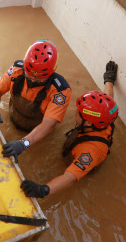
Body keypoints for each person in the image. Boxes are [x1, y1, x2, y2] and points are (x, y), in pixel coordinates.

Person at [19, 61, 119, 198]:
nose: (75, 112)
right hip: (82, 139)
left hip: (83, 162)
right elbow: (108, 98)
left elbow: (69, 177)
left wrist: (44, 189)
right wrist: (109, 80)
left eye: (79, 112)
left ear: (88, 122)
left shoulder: (90, 152)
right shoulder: (105, 118)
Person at [0, 40, 72, 160]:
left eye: (40, 80)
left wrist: (23, 143)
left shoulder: (60, 91)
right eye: (29, 76)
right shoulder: (17, 69)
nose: (33, 81)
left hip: (36, 132)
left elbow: (48, 125)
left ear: (52, 71)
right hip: (14, 118)